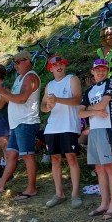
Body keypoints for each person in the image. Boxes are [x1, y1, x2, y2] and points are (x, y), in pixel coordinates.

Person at [0, 50, 41, 198]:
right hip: (17, 123)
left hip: (26, 121)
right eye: (14, 63)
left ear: (27, 61)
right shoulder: (19, 78)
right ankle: (1, 185)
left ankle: (31, 188)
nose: (15, 65)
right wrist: (3, 91)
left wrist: (2, 92)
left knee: (27, 156)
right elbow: (12, 98)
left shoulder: (30, 76)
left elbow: (22, 98)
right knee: (11, 154)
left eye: (18, 62)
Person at [78, 58, 112, 219]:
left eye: (103, 69)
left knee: (109, 166)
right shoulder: (89, 90)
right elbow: (80, 113)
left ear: (107, 70)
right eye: (97, 70)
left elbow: (103, 105)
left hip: (107, 128)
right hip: (94, 130)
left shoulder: (111, 83)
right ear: (92, 72)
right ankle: (104, 203)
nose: (100, 72)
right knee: (99, 168)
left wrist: (90, 109)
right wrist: (93, 112)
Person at [41, 55, 82, 208]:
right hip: (52, 127)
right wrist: (48, 107)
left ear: (64, 66)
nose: (59, 66)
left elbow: (77, 100)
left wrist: (58, 100)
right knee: (55, 159)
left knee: (71, 158)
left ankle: (75, 194)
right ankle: (59, 194)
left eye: (61, 64)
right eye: (55, 65)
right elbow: (43, 106)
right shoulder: (49, 85)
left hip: (69, 125)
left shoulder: (72, 79)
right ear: (50, 69)